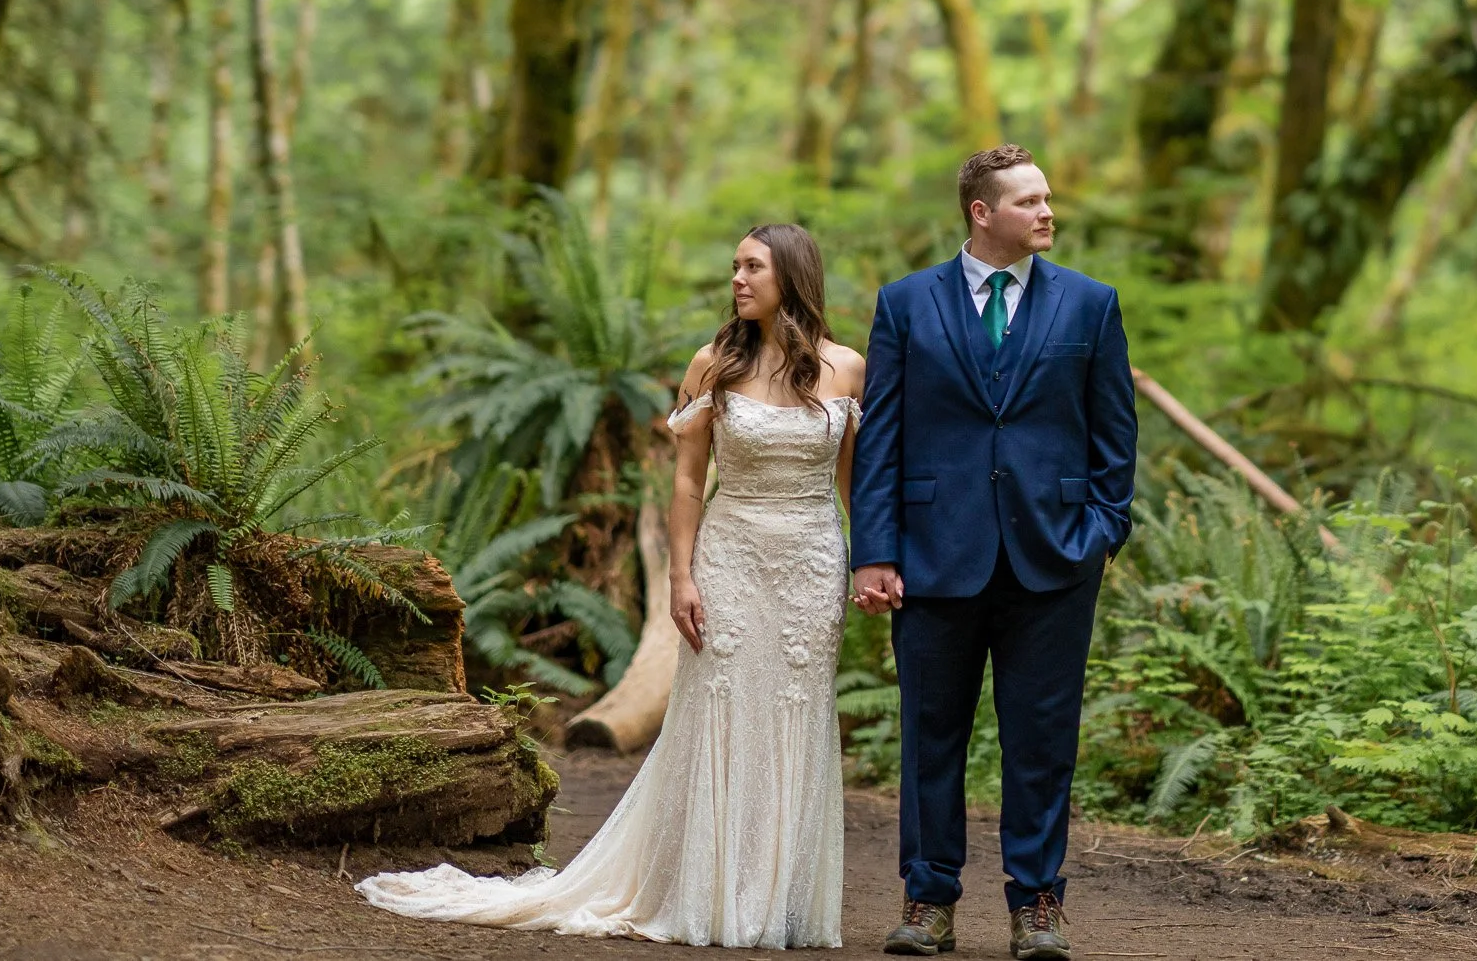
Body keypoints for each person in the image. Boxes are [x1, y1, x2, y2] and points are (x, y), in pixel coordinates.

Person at [358, 223, 863, 947]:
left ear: (792, 274)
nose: (737, 278)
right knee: (719, 711)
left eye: (753, 266)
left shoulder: (846, 369)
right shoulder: (713, 363)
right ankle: (707, 894)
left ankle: (775, 898)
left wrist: (875, 561)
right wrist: (680, 576)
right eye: (734, 266)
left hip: (812, 562)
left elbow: (854, 485)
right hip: (730, 556)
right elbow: (687, 481)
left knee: (796, 712)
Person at [849, 145, 1139, 961]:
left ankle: (1038, 904)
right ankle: (928, 898)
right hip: (934, 555)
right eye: (1029, 201)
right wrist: (874, 550)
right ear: (982, 212)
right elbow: (881, 439)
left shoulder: (1091, 303)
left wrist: (1103, 530)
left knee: (1043, 741)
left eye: (1048, 198)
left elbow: (1116, 431)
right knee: (930, 736)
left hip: (1055, 558)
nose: (1048, 212)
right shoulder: (906, 303)